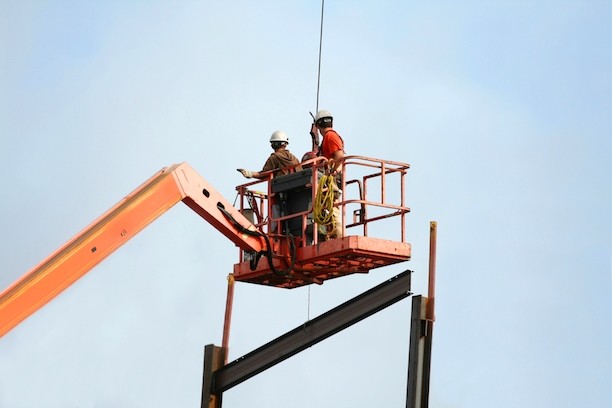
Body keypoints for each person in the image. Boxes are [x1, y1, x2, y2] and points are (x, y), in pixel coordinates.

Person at [237, 130, 302, 179]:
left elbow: (264, 174)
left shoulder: (274, 157)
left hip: (284, 189)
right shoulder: (294, 158)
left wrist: (250, 174)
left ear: (274, 144)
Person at [311, 110, 345, 175]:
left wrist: (333, 171)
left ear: (318, 126)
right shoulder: (329, 136)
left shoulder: (330, 135)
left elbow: (339, 156)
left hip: (332, 176)